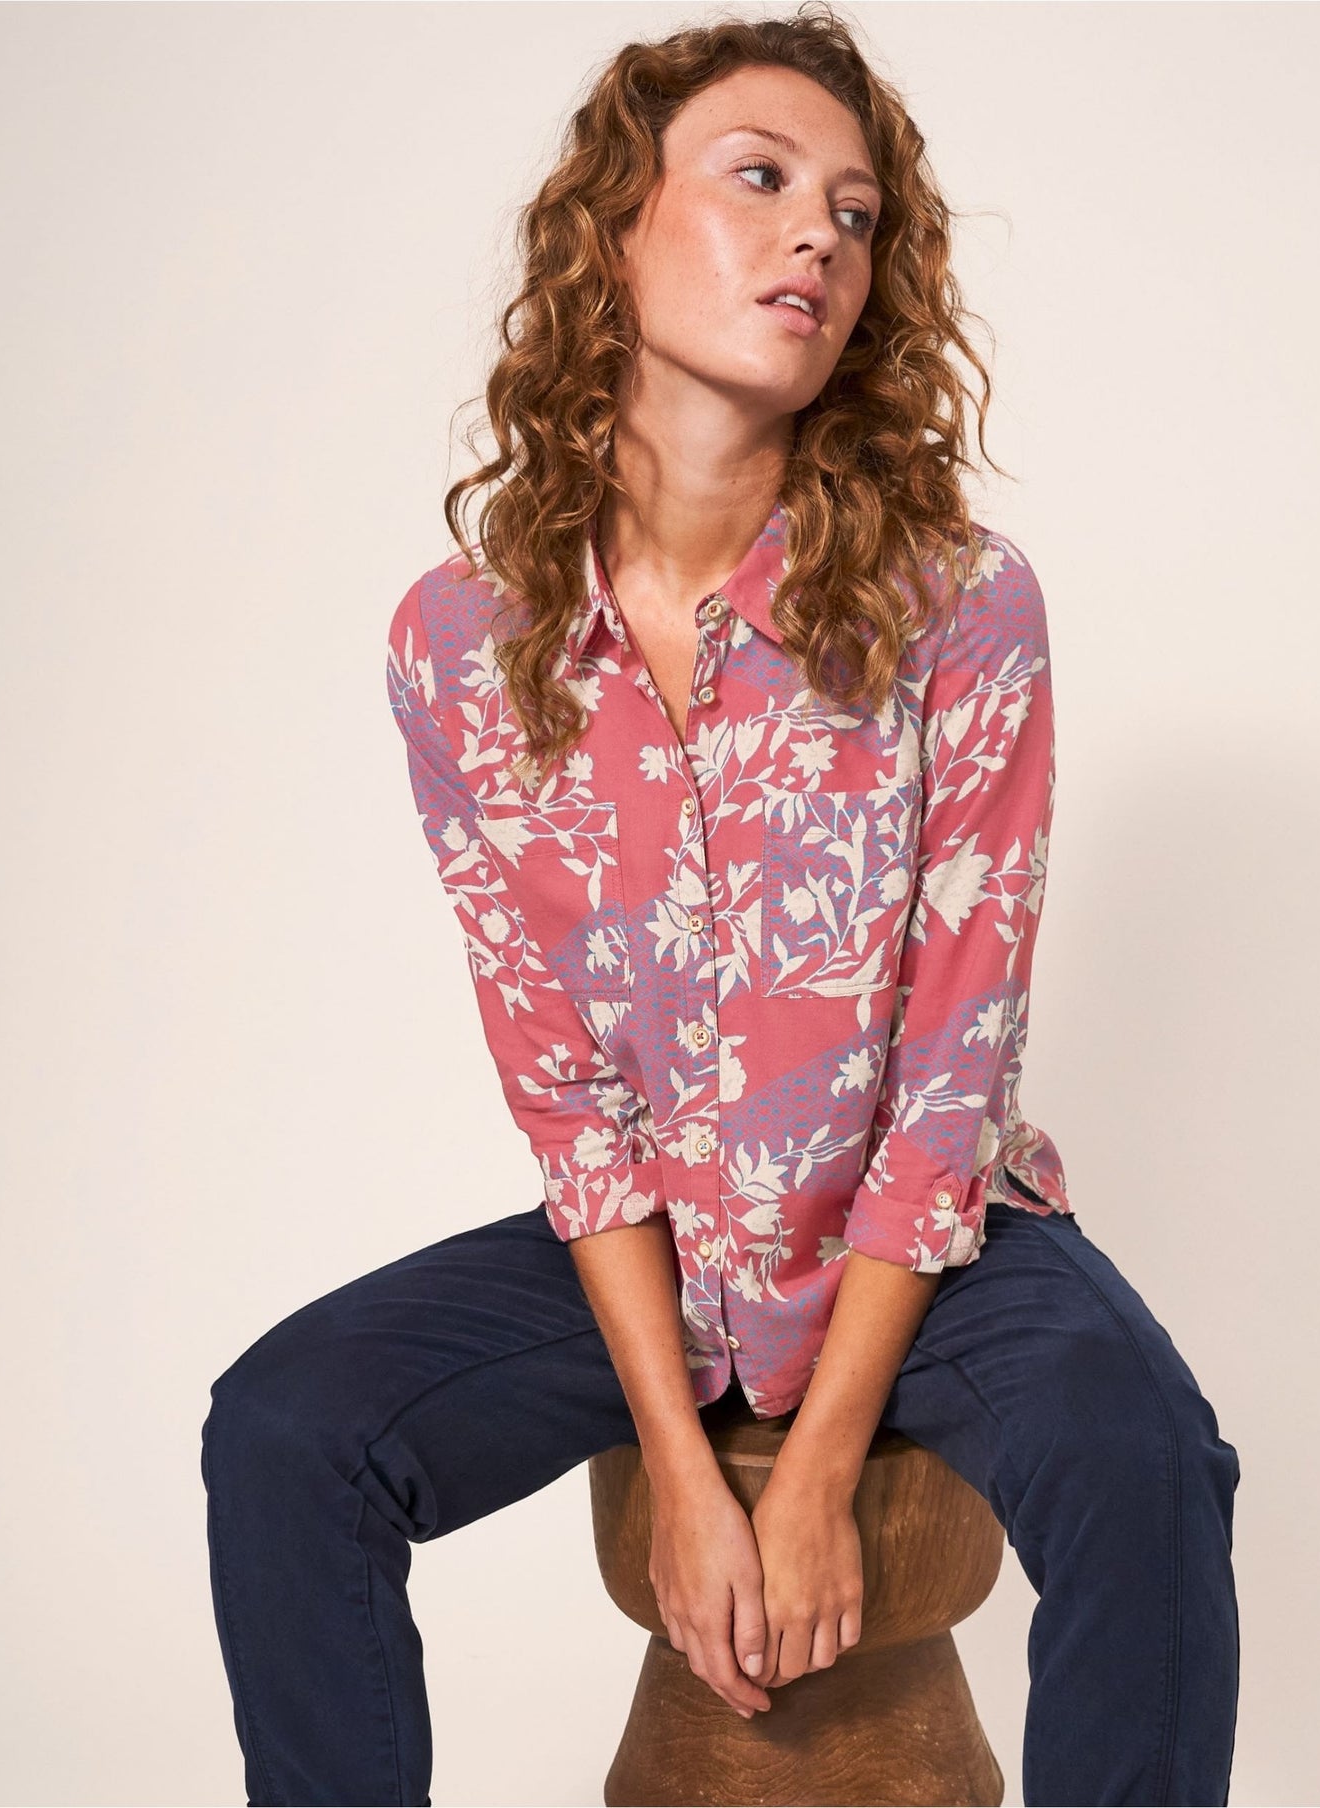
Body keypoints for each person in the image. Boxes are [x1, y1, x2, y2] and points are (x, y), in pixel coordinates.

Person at [200, 7, 1241, 1803]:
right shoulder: (460, 647)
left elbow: (952, 1067)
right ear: (610, 232)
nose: (816, 236)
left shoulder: (957, 603)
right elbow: (562, 1091)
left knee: (1143, 1458)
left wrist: (816, 1468)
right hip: (657, 1245)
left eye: (853, 213)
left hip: (930, 1237)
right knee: (288, 1427)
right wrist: (685, 1479)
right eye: (758, 180)